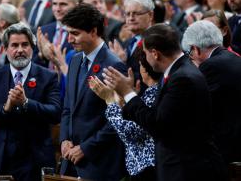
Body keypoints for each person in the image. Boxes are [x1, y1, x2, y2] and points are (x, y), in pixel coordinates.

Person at [103, 23, 228, 181]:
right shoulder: (179, 71)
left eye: (146, 53)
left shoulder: (183, 78)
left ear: (155, 53)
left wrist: (127, 93)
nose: (146, 59)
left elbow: (158, 125)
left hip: (188, 171)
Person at [0, 22, 61, 181]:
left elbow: (55, 113)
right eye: (14, 45)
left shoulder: (48, 76)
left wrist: (26, 102)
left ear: (32, 47)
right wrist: (5, 108)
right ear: (5, 49)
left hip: (36, 158)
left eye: (25, 44)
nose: (20, 50)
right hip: (1, 157)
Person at [59, 3, 127, 181]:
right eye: (68, 33)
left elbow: (117, 119)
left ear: (93, 31)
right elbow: (68, 108)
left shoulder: (113, 65)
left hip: (98, 164)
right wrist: (64, 139)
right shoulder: (74, 61)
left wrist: (86, 148)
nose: (69, 39)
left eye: (75, 33)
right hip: (70, 162)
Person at [89, 44, 161, 181]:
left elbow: (129, 131)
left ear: (144, 68)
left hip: (148, 170)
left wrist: (110, 100)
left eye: (140, 64)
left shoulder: (155, 94)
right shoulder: (152, 92)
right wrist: (123, 97)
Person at [182, 20, 241, 164]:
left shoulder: (209, 66)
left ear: (195, 49)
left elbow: (194, 108)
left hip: (223, 149)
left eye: (190, 54)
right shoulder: (235, 58)